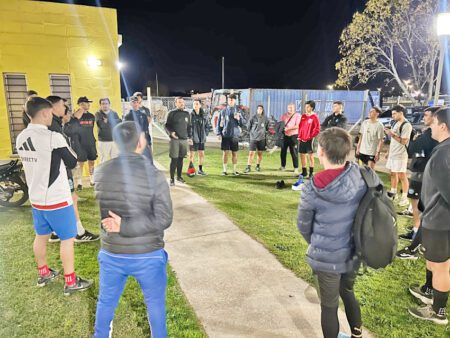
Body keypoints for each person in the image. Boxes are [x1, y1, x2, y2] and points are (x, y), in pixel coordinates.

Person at [93, 121, 173, 337]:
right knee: (155, 305)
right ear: (141, 142)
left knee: (106, 303)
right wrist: (125, 225)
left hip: (112, 252)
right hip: (147, 255)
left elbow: (106, 214)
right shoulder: (154, 175)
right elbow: (164, 218)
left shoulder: (100, 172)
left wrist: (122, 226)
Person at [297, 127, 371, 338]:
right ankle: (357, 333)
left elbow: (303, 224)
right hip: (354, 251)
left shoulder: (314, 186)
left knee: (329, 306)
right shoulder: (360, 175)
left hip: (327, 257)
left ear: (321, 151)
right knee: (347, 292)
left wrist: (318, 242)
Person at [16, 96, 92, 295]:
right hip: (57, 199)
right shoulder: (52, 137)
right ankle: (70, 281)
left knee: (41, 236)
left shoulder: (21, 136)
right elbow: (73, 161)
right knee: (67, 239)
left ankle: (43, 273)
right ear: (44, 113)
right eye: (50, 113)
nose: (52, 116)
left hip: (37, 199)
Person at [408, 107, 450, 325]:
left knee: (441, 265)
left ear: (443, 126)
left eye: (432, 124)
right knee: (436, 262)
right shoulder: (443, 149)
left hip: (441, 221)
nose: (429, 127)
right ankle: (431, 296)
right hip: (438, 219)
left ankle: (438, 312)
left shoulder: (444, 153)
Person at [46, 96, 99, 243]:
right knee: (72, 199)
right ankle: (79, 232)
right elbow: (69, 158)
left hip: (52, 171)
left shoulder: (49, 124)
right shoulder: (55, 126)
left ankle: (55, 232)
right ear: (55, 108)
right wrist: (74, 119)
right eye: (63, 106)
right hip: (59, 169)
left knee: (58, 200)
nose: (65, 110)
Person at [397, 107, 439, 245]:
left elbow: (412, 149)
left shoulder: (429, 134)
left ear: (435, 117)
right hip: (427, 172)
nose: (423, 118)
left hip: (421, 172)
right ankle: (420, 230)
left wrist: (415, 140)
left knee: (416, 203)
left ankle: (416, 234)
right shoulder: (437, 133)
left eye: (426, 115)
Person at [384, 105, 412, 207]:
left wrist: (392, 134)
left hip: (400, 155)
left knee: (402, 176)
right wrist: (388, 151)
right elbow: (393, 141)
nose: (393, 116)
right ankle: (393, 193)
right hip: (393, 153)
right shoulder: (395, 122)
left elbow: (404, 141)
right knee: (392, 173)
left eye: (394, 113)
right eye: (392, 114)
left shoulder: (406, 125)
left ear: (401, 113)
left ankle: (404, 198)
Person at [216, 94, 246, 176]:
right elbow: (219, 123)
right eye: (229, 100)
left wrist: (239, 119)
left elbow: (243, 124)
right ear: (228, 101)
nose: (231, 101)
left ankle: (234, 170)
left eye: (232, 100)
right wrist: (219, 133)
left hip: (234, 135)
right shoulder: (223, 111)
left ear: (235, 101)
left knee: (234, 153)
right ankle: (224, 170)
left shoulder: (238, 111)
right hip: (225, 135)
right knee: (225, 153)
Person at [165, 97, 191, 186]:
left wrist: (190, 137)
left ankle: (179, 177)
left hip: (184, 140)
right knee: (174, 160)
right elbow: (166, 126)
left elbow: (189, 127)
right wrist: (171, 133)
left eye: (182, 102)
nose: (181, 104)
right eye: (179, 102)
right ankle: (172, 179)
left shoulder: (187, 114)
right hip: (175, 140)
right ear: (175, 103)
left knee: (181, 159)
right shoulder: (171, 113)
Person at [73, 96, 97, 189]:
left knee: (92, 162)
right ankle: (79, 182)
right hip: (80, 144)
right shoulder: (75, 115)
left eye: (88, 103)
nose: (88, 105)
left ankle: (92, 180)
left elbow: (91, 128)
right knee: (80, 163)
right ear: (81, 104)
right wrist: (80, 110)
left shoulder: (91, 116)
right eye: (86, 103)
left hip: (90, 142)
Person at [124, 96, 152, 160]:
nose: (135, 104)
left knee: (146, 159)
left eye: (136, 102)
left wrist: (148, 142)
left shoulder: (143, 115)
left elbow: (146, 129)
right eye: (133, 102)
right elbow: (126, 130)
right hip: (133, 142)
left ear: (138, 103)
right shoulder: (127, 116)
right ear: (130, 104)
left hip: (143, 141)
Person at [298, 100, 321, 178]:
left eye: (307, 107)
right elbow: (300, 126)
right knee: (302, 155)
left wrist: (309, 137)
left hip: (309, 140)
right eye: (305, 106)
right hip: (302, 139)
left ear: (312, 108)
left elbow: (317, 129)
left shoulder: (315, 117)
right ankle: (304, 172)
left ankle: (311, 173)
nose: (306, 108)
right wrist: (300, 136)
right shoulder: (303, 116)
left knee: (310, 156)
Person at [95, 98, 121, 164]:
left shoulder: (114, 113)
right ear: (100, 105)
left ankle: (114, 174)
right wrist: (112, 122)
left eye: (106, 103)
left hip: (114, 141)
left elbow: (119, 122)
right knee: (104, 161)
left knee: (115, 161)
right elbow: (102, 125)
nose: (105, 105)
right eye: (103, 104)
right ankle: (104, 174)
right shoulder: (98, 114)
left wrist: (108, 120)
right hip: (103, 141)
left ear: (109, 104)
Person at [188, 99, 210, 176]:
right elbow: (188, 127)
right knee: (191, 155)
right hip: (193, 139)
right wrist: (189, 137)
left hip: (201, 138)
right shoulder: (190, 115)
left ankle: (200, 170)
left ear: (200, 105)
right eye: (194, 104)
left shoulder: (204, 115)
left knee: (201, 154)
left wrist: (205, 133)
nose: (195, 105)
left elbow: (207, 125)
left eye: (197, 104)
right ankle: (191, 170)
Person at [244, 105, 269, 173]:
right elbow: (248, 127)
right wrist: (253, 134)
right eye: (258, 109)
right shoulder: (253, 118)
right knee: (251, 153)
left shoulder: (265, 118)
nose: (260, 110)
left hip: (262, 139)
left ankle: (258, 166)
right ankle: (248, 167)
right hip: (253, 138)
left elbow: (267, 128)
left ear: (262, 110)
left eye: (261, 109)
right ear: (257, 110)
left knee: (260, 153)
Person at [279, 103, 301, 173]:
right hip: (285, 136)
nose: (290, 109)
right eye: (289, 108)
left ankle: (296, 168)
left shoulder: (297, 115)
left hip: (294, 136)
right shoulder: (284, 116)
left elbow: (297, 126)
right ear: (287, 108)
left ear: (294, 108)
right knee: (283, 152)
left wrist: (288, 129)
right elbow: (281, 125)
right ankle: (283, 166)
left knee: (294, 152)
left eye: (291, 108)